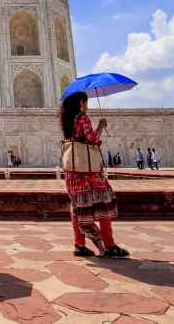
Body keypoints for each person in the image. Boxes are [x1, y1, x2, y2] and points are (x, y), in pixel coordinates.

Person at [61, 91, 128, 259]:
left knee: (78, 208)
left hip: (72, 171)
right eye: (85, 101)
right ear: (81, 103)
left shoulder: (66, 120)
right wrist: (101, 126)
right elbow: (92, 138)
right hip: (88, 171)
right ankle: (109, 245)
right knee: (103, 204)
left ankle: (80, 245)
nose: (87, 105)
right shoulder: (82, 117)